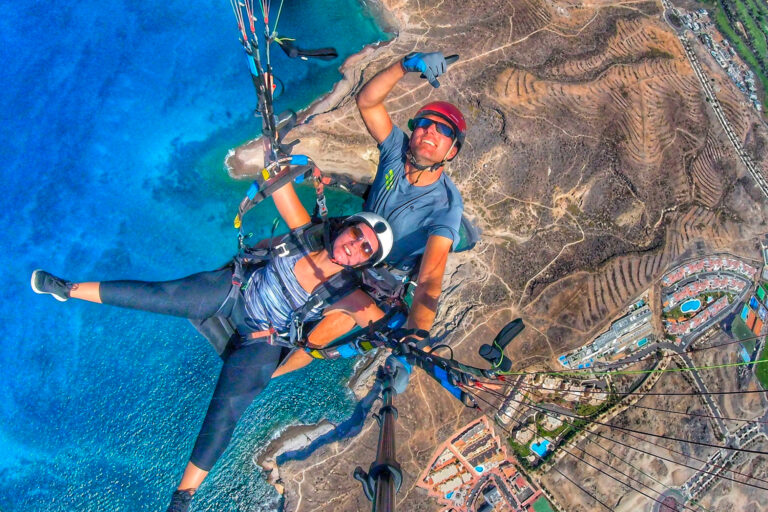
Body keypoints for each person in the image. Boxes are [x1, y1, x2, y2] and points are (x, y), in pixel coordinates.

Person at [30, 173, 393, 512]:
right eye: (356, 235)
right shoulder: (305, 232)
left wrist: (405, 342)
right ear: (344, 227)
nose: (354, 246)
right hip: (235, 291)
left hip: (265, 336)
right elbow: (278, 181)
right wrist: (276, 149)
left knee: (228, 410)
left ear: (365, 263)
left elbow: (379, 321)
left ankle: (183, 496)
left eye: (365, 250)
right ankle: (67, 289)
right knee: (161, 295)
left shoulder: (348, 292)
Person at [356, 51, 467, 347]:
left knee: (324, 331)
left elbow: (430, 280)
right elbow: (367, 102)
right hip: (352, 243)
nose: (430, 129)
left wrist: (416, 336)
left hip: (380, 275)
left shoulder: (446, 206)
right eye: (424, 124)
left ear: (451, 152)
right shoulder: (396, 149)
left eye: (443, 130)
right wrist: (404, 64)